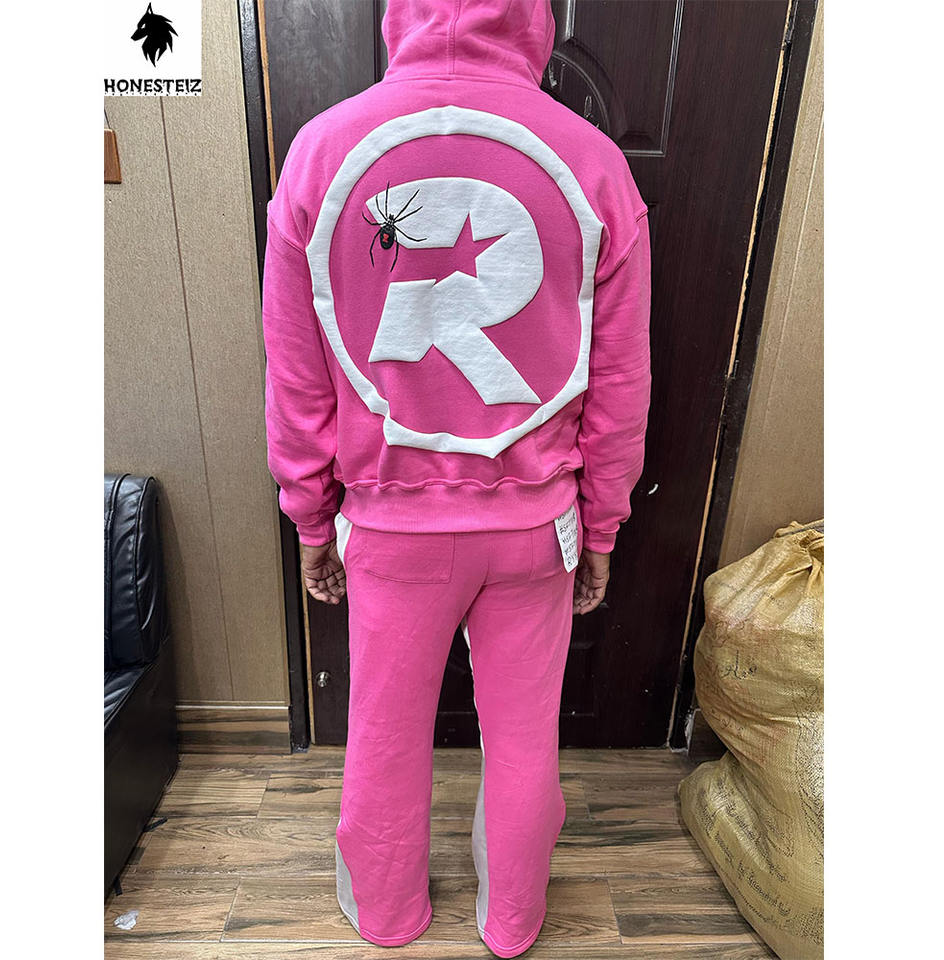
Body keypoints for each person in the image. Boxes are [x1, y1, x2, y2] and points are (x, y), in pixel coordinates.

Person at [261, 0, 651, 955]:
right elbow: (622, 382)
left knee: (383, 737)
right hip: (535, 526)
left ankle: (386, 911)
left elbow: (297, 378)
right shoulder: (595, 164)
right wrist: (602, 525)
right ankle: (513, 920)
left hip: (390, 525)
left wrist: (310, 517)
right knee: (524, 741)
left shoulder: (319, 155)